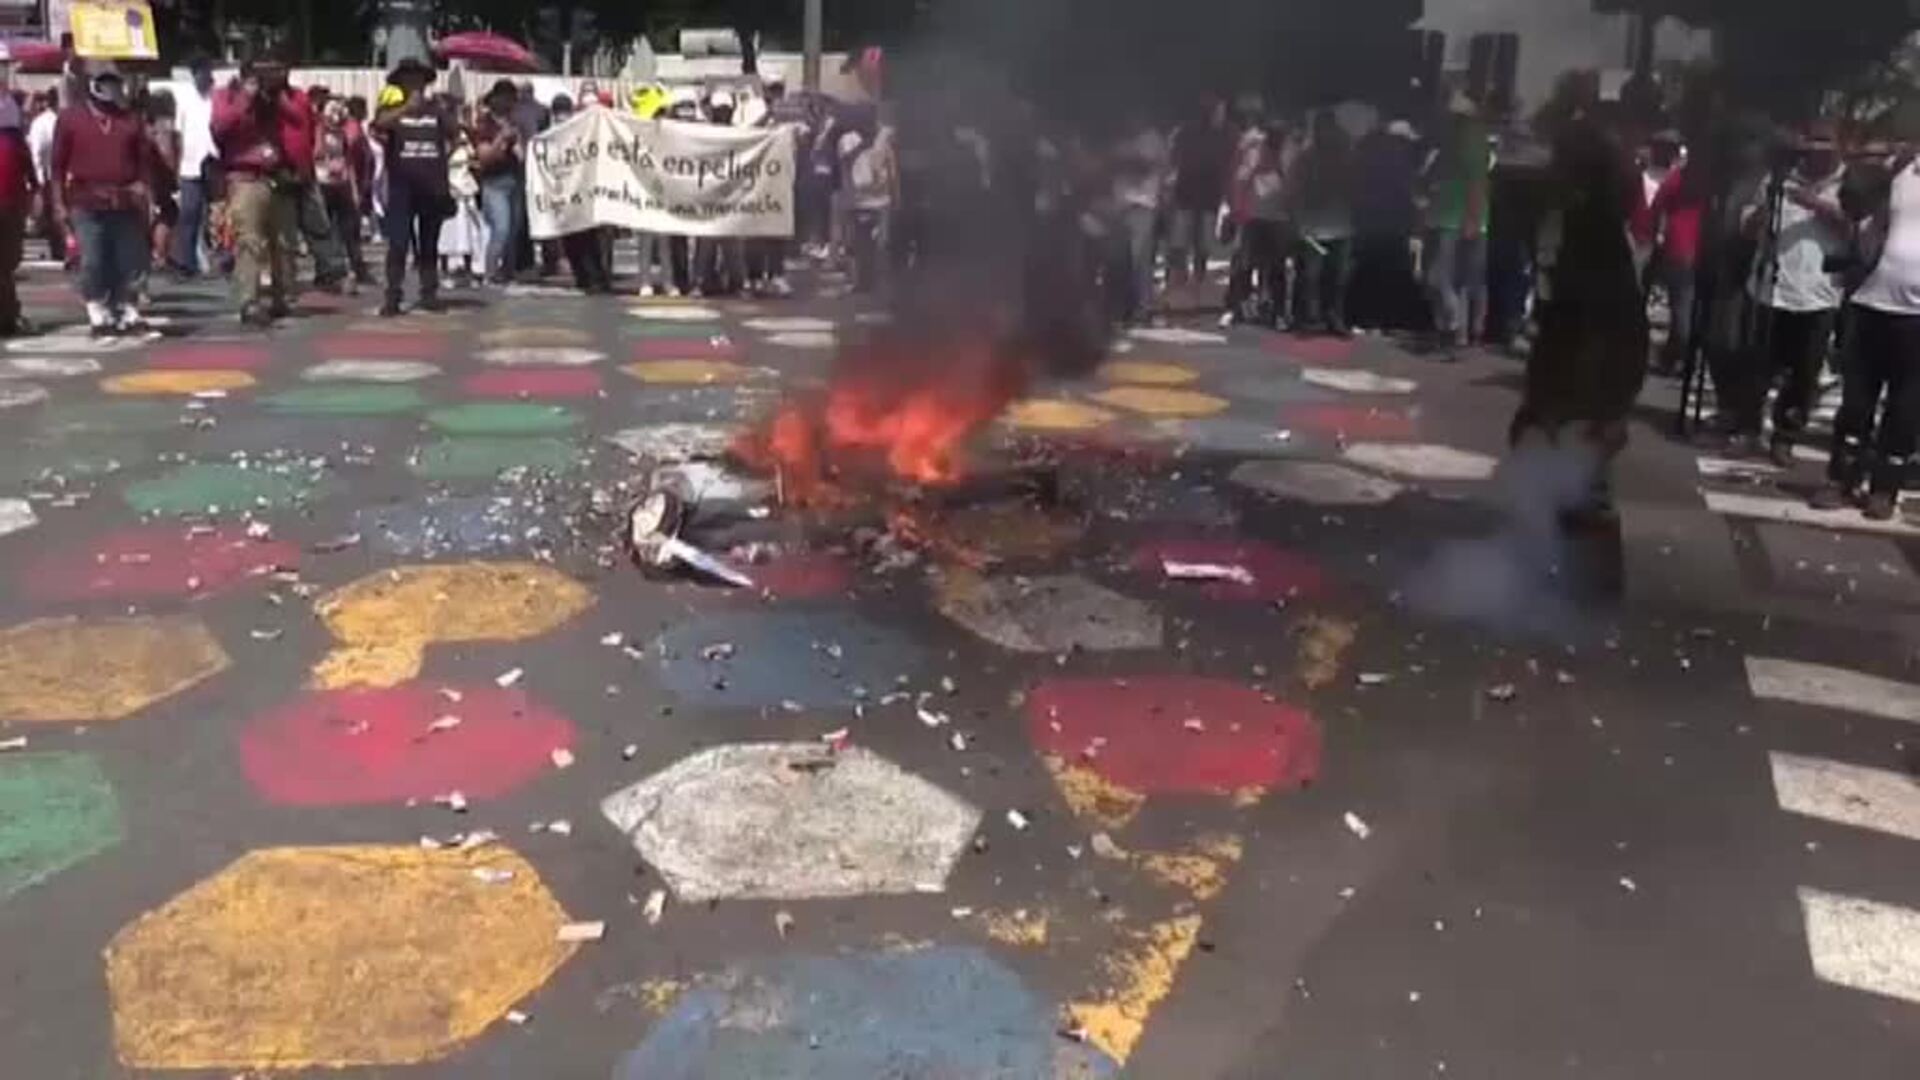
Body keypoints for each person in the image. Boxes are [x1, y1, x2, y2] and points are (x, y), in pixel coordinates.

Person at [1734, 122, 1850, 464]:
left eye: (1824, 149)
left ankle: (1785, 436)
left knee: (1804, 374)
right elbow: (1747, 230)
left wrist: (1816, 204)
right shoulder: (1777, 180)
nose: (1816, 157)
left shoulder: (1848, 185)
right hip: (1772, 289)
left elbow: (1856, 230)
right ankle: (1748, 430)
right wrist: (1762, 211)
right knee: (1757, 368)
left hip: (1819, 294)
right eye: (1811, 149)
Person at [1816, 145, 1920, 520]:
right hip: (1870, 302)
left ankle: (1884, 489)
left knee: (1905, 410)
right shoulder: (1900, 169)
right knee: (1856, 401)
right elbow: (1853, 206)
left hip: (1916, 318)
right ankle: (1840, 479)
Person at [51, 60, 154, 335]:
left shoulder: (130, 119)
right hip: (86, 200)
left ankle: (128, 308)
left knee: (129, 257)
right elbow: (57, 166)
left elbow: (143, 161)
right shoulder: (71, 119)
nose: (111, 88)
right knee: (93, 257)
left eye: (115, 83)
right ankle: (97, 308)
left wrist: (145, 190)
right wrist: (58, 204)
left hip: (125, 200)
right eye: (105, 82)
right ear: (92, 85)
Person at [211, 57, 302, 326]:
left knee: (284, 242)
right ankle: (248, 301)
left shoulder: (274, 99)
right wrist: (246, 97)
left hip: (276, 175)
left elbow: (297, 120)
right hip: (245, 175)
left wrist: (276, 96)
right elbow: (220, 127)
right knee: (248, 240)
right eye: (261, 76)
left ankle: (282, 295)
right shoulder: (227, 95)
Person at [371, 59, 455, 316]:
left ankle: (429, 292)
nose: (414, 83)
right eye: (408, 79)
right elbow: (379, 126)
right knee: (398, 242)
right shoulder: (392, 108)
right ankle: (393, 295)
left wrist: (444, 160)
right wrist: (406, 109)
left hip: (432, 187)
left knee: (429, 242)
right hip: (401, 186)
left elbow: (455, 132)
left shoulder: (436, 109)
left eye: (418, 79)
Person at [1423, 93, 1493, 352]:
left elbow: (1476, 180)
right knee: (1460, 280)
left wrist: (1471, 219)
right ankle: (1459, 333)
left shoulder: (1469, 140)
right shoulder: (1458, 141)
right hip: (1456, 214)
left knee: (1442, 276)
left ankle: (1453, 326)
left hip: (1455, 216)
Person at [1291, 110, 1355, 335]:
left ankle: (1333, 317)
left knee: (1337, 277)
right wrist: (1297, 220)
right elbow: (1296, 190)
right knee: (1312, 276)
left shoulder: (1345, 156)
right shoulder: (1307, 159)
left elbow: (1354, 188)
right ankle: (1311, 318)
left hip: (1340, 225)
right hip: (1314, 227)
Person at [1224, 124, 1290, 328]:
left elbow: (1294, 182)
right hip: (1254, 217)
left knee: (1276, 267)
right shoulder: (1254, 150)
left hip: (1278, 218)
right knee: (1245, 265)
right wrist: (1237, 211)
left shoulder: (1289, 150)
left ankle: (1276, 310)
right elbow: (1240, 180)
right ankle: (1238, 307)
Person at [1108, 113, 1169, 325]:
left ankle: (1141, 309)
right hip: (1122, 207)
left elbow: (1145, 166)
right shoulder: (1124, 141)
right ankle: (1128, 309)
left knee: (1138, 261)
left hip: (1142, 206)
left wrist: (1122, 158)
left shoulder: (1151, 140)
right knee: (1124, 261)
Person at [1167, 97, 1231, 292]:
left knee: (1196, 242)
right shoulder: (1189, 133)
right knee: (1186, 241)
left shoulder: (1215, 135)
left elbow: (1174, 159)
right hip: (1190, 193)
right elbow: (1175, 159)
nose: (1222, 117)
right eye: (1220, 112)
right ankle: (1186, 281)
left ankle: (1191, 281)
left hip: (1199, 194)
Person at [472, 80, 522, 285]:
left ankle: (508, 271)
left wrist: (519, 146)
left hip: (514, 179)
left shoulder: (514, 122)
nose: (509, 101)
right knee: (500, 228)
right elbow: (484, 156)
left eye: (512, 97)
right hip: (494, 182)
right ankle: (490, 272)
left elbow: (521, 153)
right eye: (505, 97)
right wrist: (501, 138)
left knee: (513, 230)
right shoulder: (485, 124)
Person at [314, 98, 367, 285]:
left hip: (342, 183)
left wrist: (354, 190)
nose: (335, 118)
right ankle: (325, 270)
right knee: (324, 229)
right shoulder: (317, 131)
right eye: (332, 113)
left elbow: (351, 159)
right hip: (322, 183)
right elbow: (316, 153)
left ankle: (357, 266)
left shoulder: (344, 133)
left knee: (350, 229)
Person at [171, 55, 215, 276]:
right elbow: (178, 134)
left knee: (219, 214)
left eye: (206, 72)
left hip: (215, 161)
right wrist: (177, 164)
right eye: (198, 73)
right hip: (190, 164)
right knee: (190, 213)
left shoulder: (217, 97)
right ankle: (186, 261)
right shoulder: (185, 99)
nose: (203, 77)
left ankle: (224, 259)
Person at [0, 61, 33, 336]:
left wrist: (32, 186)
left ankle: (9, 315)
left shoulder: (10, 104)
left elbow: (22, 152)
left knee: (8, 260)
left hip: (11, 196)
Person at [439, 114, 484, 287]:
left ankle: (470, 269)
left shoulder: (465, 140)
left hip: (465, 188)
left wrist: (474, 164)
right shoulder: (442, 142)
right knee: (448, 233)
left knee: (469, 232)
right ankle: (446, 270)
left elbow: (474, 158)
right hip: (449, 190)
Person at [26, 90, 59, 264]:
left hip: (47, 176)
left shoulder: (40, 123)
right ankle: (58, 246)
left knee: (51, 214)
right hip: (55, 175)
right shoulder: (52, 121)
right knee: (55, 214)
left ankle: (57, 246)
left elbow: (36, 153)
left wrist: (36, 180)